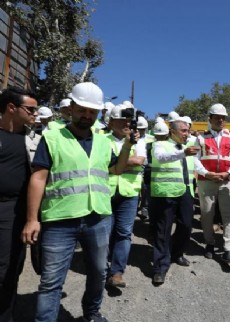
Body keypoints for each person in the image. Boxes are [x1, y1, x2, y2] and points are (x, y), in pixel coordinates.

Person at [22, 82, 138, 322]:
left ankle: (92, 314)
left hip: (98, 218)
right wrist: (32, 219)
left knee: (98, 273)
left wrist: (127, 145)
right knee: (51, 281)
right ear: (71, 108)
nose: (87, 115)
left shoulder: (104, 142)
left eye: (92, 112)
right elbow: (38, 178)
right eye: (82, 109)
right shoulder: (53, 137)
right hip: (59, 220)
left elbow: (116, 169)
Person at [0, 87, 38, 321]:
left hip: (16, 212)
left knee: (9, 267)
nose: (35, 114)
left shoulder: (35, 141)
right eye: (30, 109)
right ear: (11, 108)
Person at [149, 118, 200, 285]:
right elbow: (161, 158)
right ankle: (160, 267)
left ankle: (177, 254)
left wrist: (209, 173)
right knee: (163, 230)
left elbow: (195, 165)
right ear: (173, 132)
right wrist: (184, 153)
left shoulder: (186, 149)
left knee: (186, 225)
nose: (187, 134)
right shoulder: (160, 144)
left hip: (185, 191)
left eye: (188, 131)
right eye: (184, 131)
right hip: (165, 192)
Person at [105, 104, 146, 289]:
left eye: (129, 121)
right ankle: (102, 267)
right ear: (111, 122)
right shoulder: (102, 140)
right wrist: (115, 163)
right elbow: (102, 163)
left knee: (123, 233)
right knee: (105, 233)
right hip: (106, 191)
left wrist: (116, 162)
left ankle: (117, 272)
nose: (127, 124)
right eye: (122, 121)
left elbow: (139, 161)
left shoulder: (140, 141)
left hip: (129, 193)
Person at [194, 103, 230, 264]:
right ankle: (209, 243)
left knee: (228, 215)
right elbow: (195, 160)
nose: (221, 120)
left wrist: (228, 173)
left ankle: (228, 250)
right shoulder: (200, 138)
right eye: (217, 117)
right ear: (210, 118)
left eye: (223, 117)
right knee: (207, 214)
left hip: (227, 181)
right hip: (207, 181)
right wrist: (207, 174)